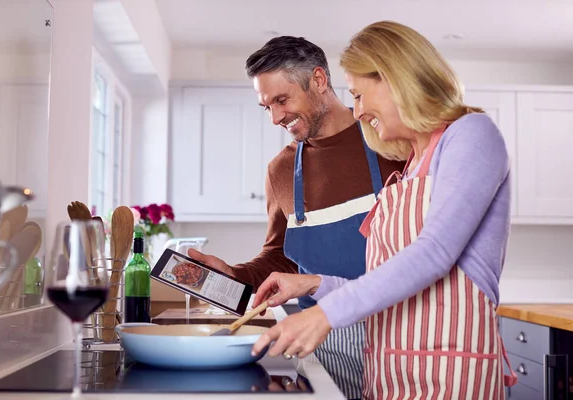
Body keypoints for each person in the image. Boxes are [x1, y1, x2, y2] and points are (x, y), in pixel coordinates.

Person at [250, 21, 518, 399]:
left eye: (359, 95)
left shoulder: (472, 134)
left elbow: (435, 253)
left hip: (450, 373)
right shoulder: (409, 168)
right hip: (390, 371)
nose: (356, 111)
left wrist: (325, 314)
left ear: (394, 78)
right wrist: (315, 285)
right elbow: (390, 277)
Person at [188, 36, 405, 399]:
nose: (274, 118)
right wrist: (234, 275)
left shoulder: (390, 142)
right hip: (323, 343)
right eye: (265, 107)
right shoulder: (281, 170)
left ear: (319, 80)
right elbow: (281, 256)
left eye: (282, 100)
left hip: (399, 333)